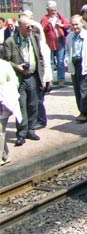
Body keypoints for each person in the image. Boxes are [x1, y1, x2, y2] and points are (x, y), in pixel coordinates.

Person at [3, 16, 47, 146]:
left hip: (33, 77)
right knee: (22, 106)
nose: (30, 28)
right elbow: (5, 61)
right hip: (20, 78)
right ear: (20, 26)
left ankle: (31, 130)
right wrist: (18, 67)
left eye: (31, 26)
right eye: (27, 26)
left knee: (33, 105)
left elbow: (40, 58)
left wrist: (42, 77)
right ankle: (21, 133)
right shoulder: (11, 41)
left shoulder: (33, 37)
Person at [21, 9, 52, 129]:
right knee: (34, 100)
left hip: (41, 77)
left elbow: (45, 64)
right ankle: (35, 119)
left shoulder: (41, 46)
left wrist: (45, 79)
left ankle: (42, 120)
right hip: (34, 76)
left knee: (39, 100)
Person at [41, 0, 70, 87]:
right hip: (49, 42)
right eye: (52, 10)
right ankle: (50, 79)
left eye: (54, 9)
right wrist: (48, 24)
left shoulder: (59, 16)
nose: (54, 12)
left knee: (60, 61)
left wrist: (61, 25)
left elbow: (67, 24)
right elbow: (42, 30)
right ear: (48, 10)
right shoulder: (45, 18)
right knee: (50, 62)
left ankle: (61, 79)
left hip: (60, 40)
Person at [0, 59, 21, 165]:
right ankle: (5, 155)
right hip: (4, 102)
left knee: (0, 130)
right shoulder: (6, 65)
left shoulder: (4, 65)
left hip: (3, 102)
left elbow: (15, 83)